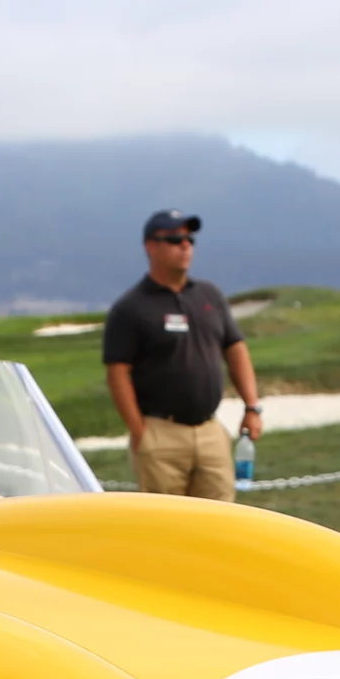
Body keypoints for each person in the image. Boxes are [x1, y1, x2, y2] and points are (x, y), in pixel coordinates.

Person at [102, 209, 261, 500]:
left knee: (221, 518)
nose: (185, 245)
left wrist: (252, 407)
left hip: (210, 430)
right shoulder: (131, 307)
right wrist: (139, 431)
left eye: (189, 239)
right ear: (151, 246)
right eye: (175, 239)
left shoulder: (209, 295)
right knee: (166, 522)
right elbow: (117, 372)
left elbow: (235, 348)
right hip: (160, 433)